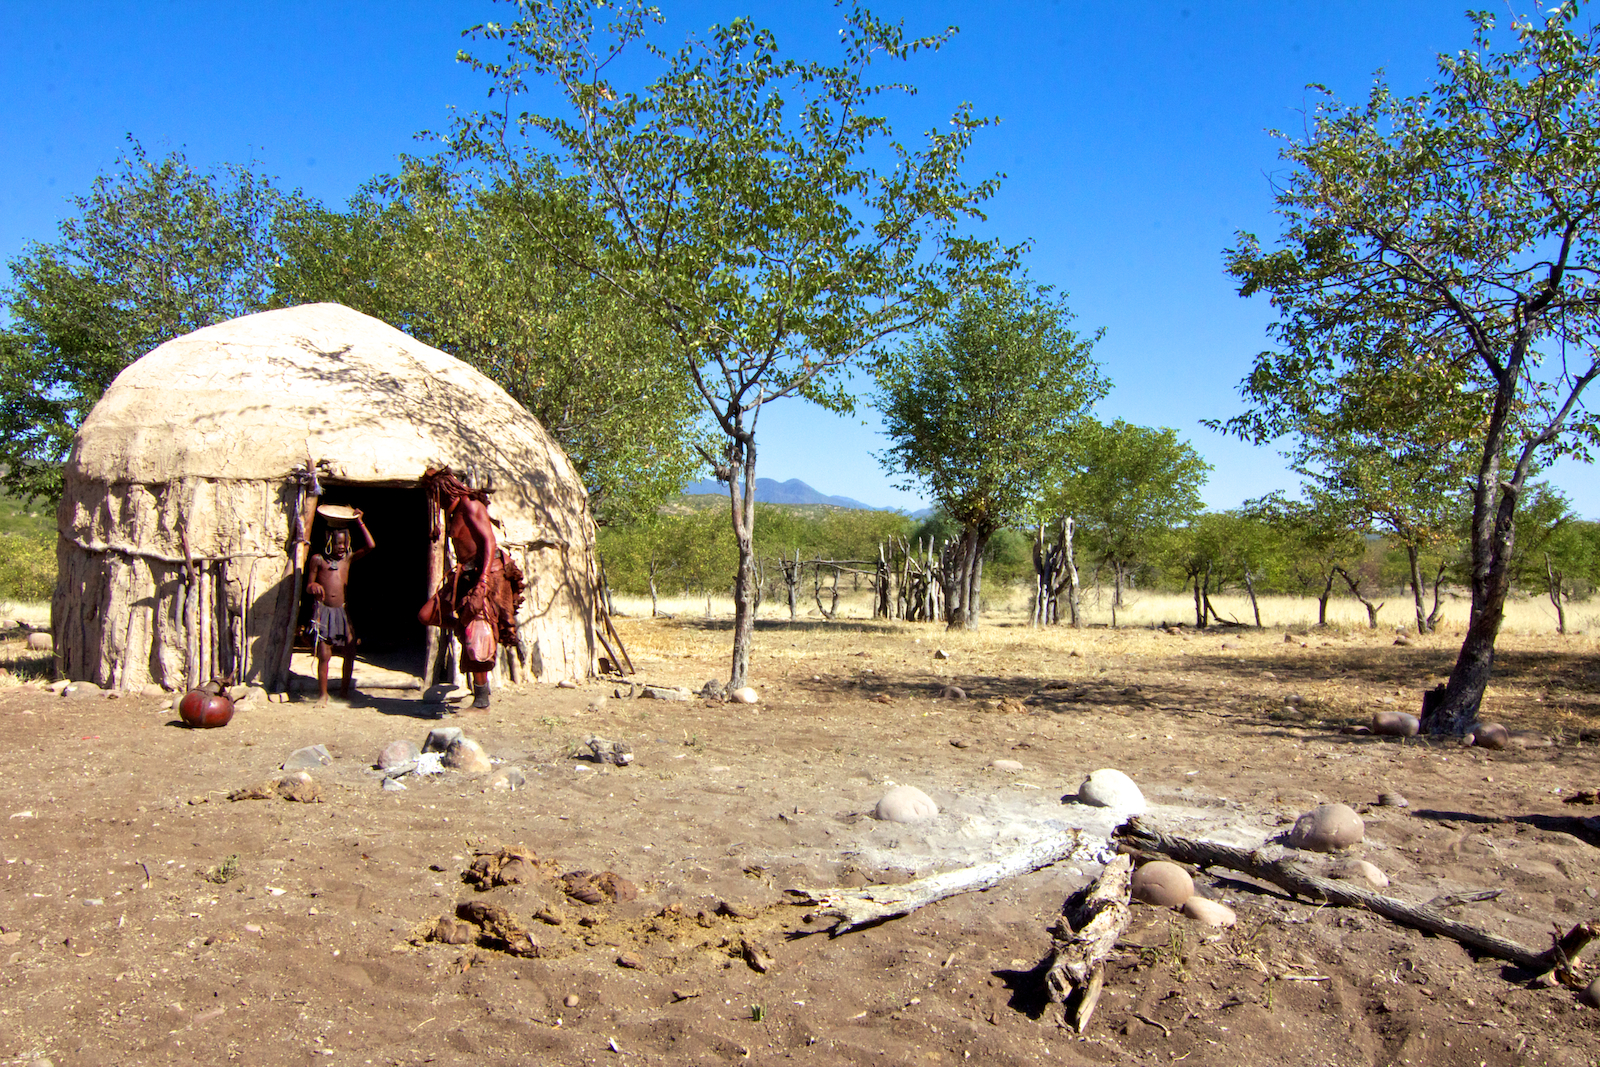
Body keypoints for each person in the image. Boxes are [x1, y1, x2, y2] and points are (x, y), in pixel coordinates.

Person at [418, 468, 525, 710]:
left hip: (489, 575)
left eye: (435, 494)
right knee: (427, 614)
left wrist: (484, 581)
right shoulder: (452, 512)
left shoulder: (470, 505)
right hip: (466, 575)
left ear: (444, 490)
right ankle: (463, 625)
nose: (434, 500)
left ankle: (481, 699)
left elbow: (489, 542)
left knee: (479, 635)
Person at [305, 511, 375, 705]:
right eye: (338, 544)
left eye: (345, 543)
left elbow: (371, 546)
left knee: (350, 650)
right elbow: (308, 586)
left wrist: (360, 522)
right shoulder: (318, 560)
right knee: (324, 654)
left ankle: (344, 692)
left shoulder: (347, 559)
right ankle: (323, 695)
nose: (342, 547)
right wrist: (314, 587)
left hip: (342, 611)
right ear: (329, 542)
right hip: (324, 611)